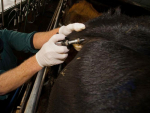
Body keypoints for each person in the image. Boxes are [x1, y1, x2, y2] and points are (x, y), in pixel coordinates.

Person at [0, 23, 85, 96]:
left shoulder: (3, 35)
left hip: (19, 86)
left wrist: (62, 32)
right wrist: (38, 61)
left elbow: (31, 40)